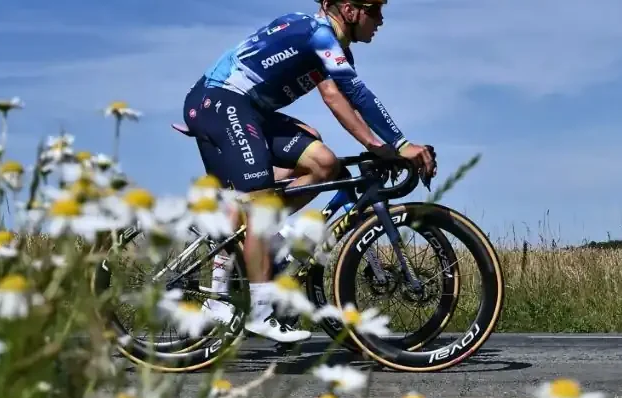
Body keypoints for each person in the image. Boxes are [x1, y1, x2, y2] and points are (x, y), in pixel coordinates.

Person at [182, 0, 437, 343]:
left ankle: (264, 238)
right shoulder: (317, 34)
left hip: (250, 111)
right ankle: (258, 312)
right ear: (349, 10)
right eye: (374, 10)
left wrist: (381, 146)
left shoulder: (331, 46)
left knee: (324, 162)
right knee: (258, 203)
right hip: (219, 102)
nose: (380, 20)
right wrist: (396, 144)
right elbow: (353, 95)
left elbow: (337, 95)